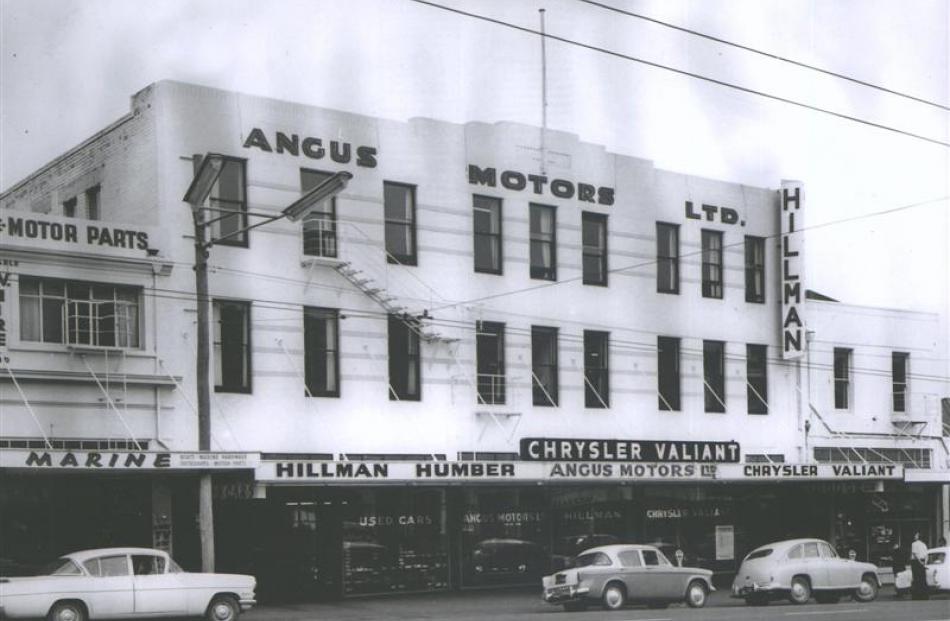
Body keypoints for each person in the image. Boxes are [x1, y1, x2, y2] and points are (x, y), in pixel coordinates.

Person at [910, 532, 929, 600]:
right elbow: (927, 555)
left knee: (916, 578)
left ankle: (916, 596)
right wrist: (924, 563)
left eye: (916, 535)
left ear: (918, 536)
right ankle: (924, 595)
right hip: (923, 561)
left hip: (916, 562)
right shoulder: (924, 545)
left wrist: (920, 562)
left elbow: (915, 554)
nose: (914, 536)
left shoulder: (914, 544)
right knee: (922, 578)